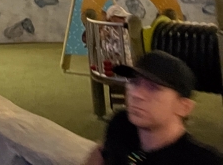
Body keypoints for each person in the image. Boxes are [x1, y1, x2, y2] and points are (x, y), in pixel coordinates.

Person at [82, 51, 223, 165]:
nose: (136, 94)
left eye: (153, 88)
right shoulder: (121, 125)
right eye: (134, 82)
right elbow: (102, 153)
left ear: (184, 107)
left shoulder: (202, 161)